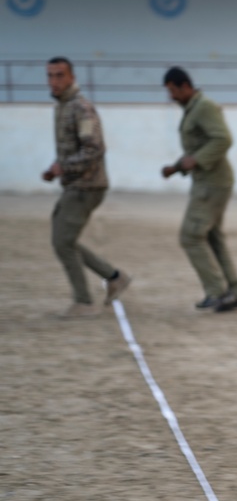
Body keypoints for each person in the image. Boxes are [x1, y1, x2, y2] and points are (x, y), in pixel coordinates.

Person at [42, 57, 131, 318]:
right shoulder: (63, 107)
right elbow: (74, 148)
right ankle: (114, 277)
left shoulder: (81, 108)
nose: (54, 81)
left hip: (87, 186)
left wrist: (64, 166)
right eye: (50, 75)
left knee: (62, 241)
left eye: (59, 75)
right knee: (64, 240)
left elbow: (93, 149)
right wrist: (56, 168)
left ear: (71, 77)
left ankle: (83, 301)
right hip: (76, 184)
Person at [161, 67, 237, 313]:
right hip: (210, 181)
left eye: (172, 91)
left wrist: (197, 160)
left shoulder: (204, 107)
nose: (171, 97)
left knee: (190, 236)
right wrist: (177, 167)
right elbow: (199, 146)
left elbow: (223, 139)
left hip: (212, 183)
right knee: (212, 237)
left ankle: (216, 291)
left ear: (184, 86)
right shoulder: (194, 108)